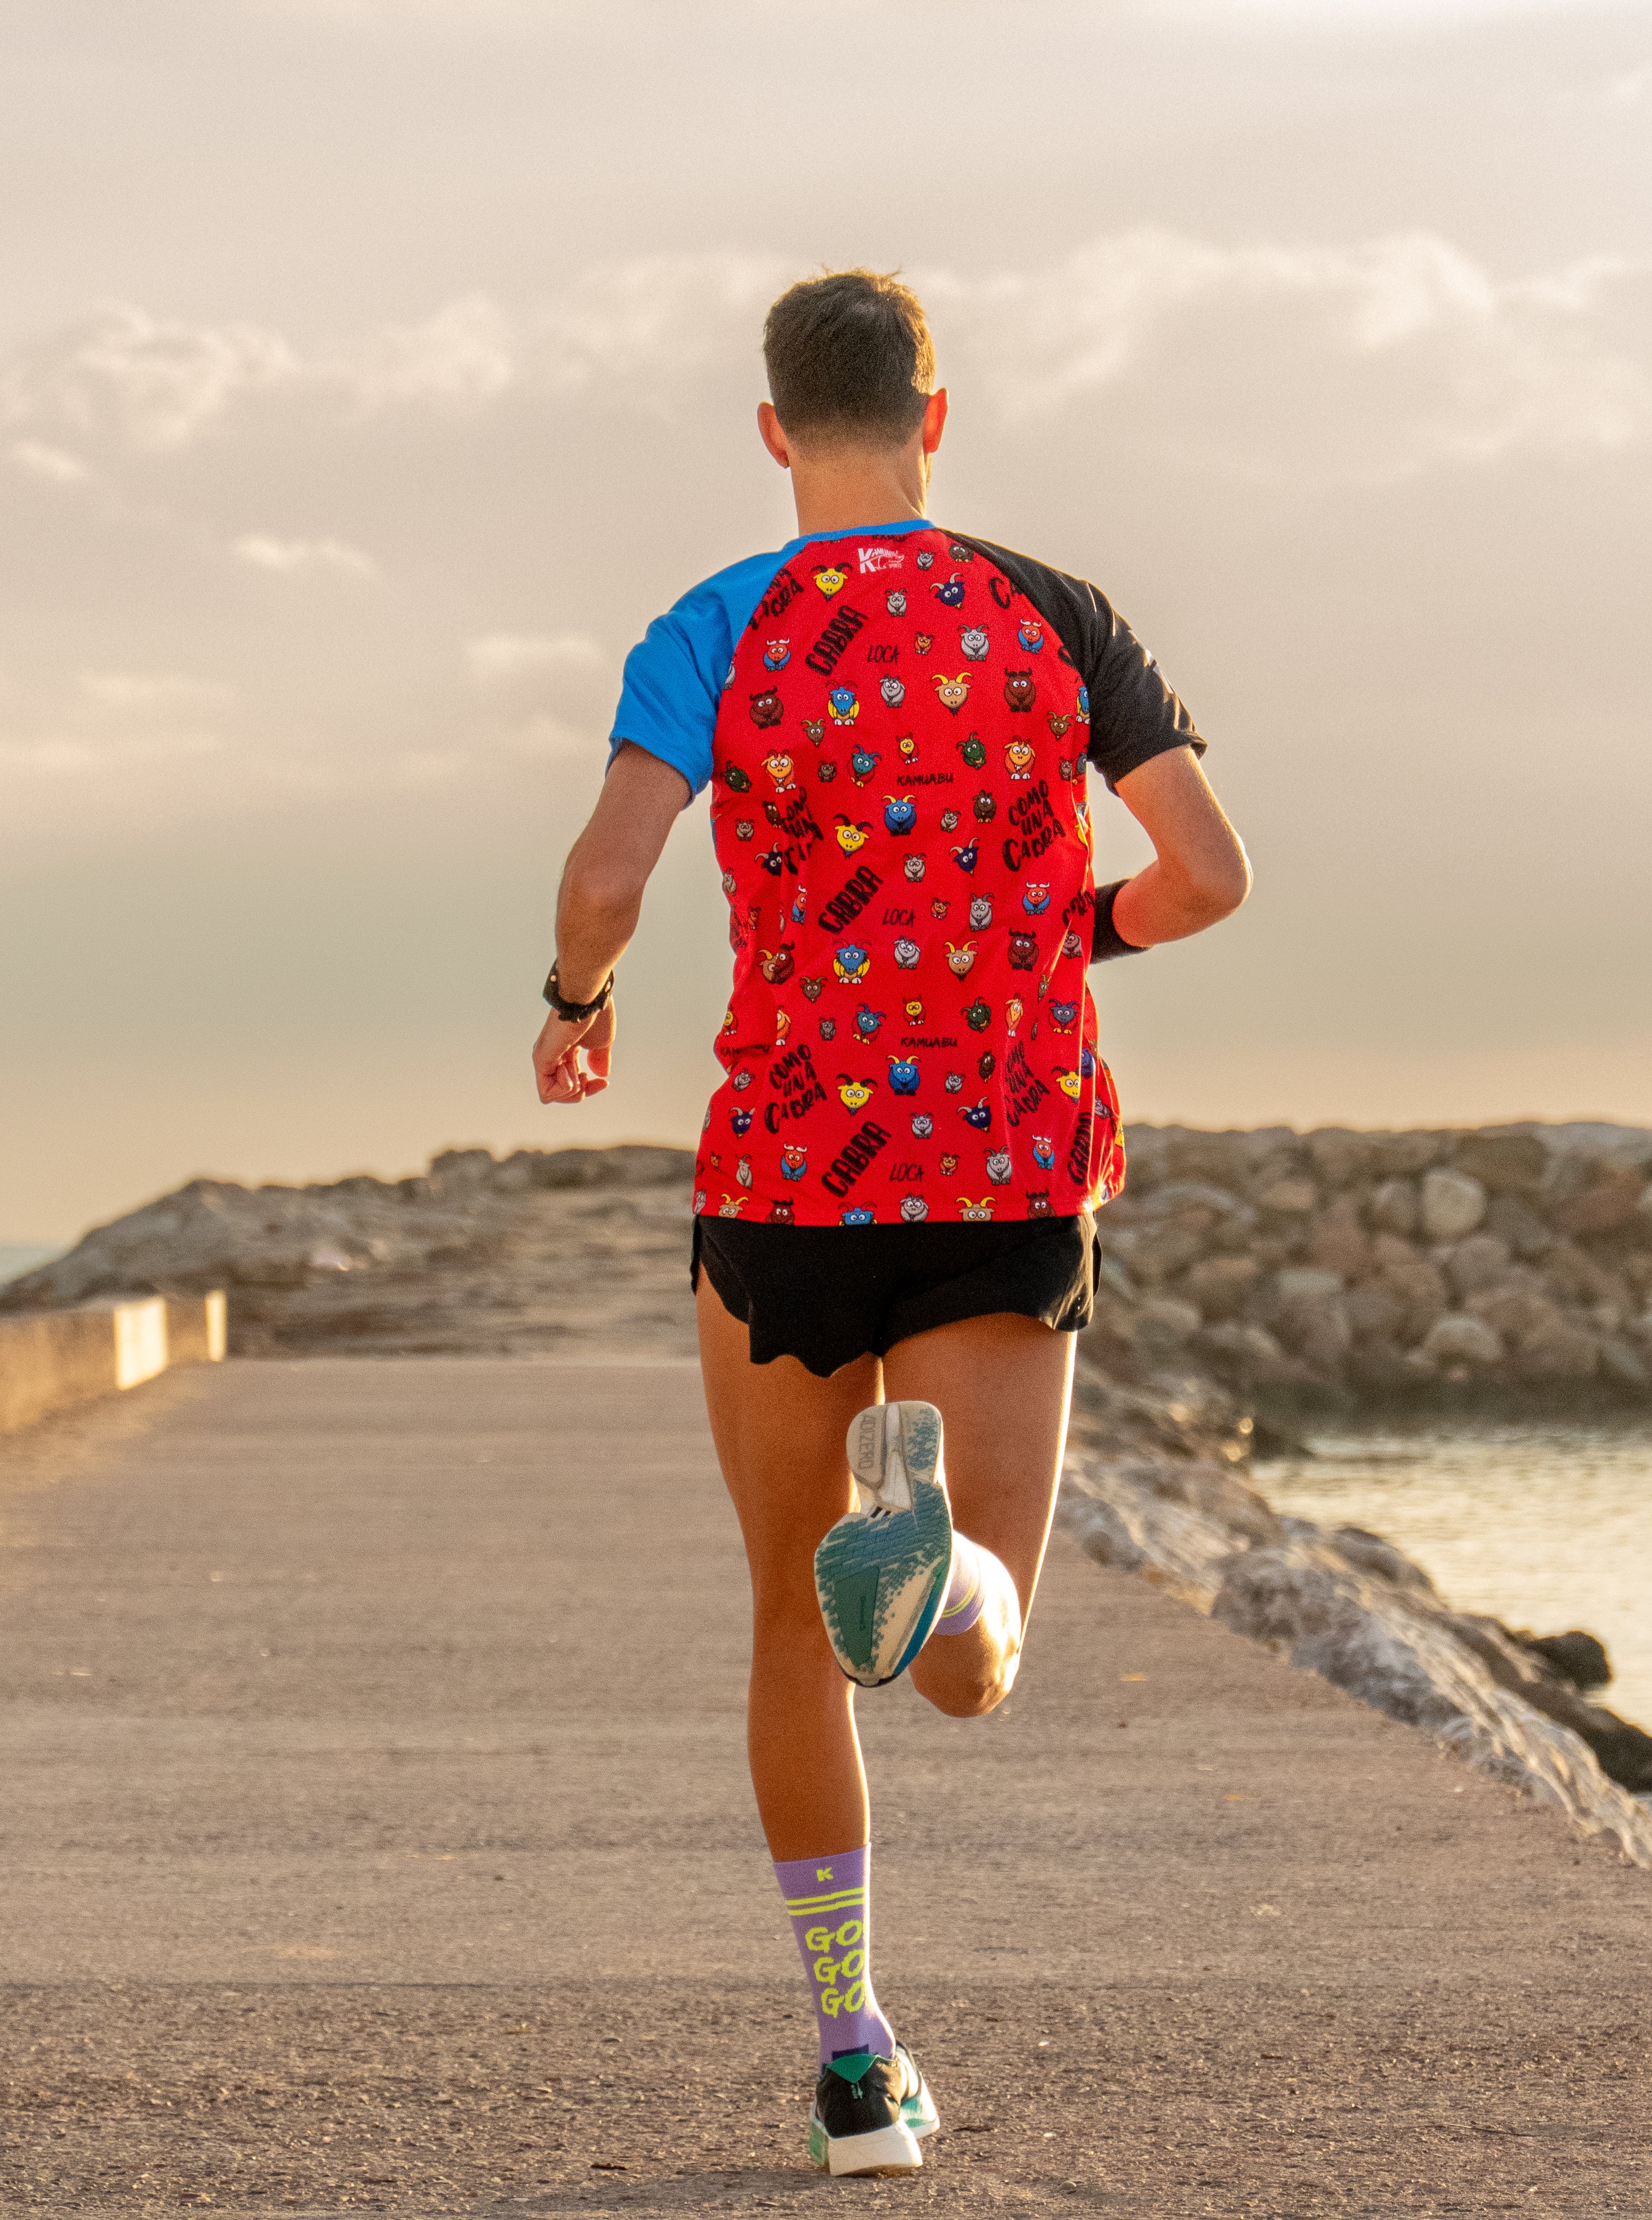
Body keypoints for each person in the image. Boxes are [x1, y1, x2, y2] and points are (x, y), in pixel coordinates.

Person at [532, 269, 1250, 2178]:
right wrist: (1070, 929)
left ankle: (856, 2058)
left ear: (774, 429)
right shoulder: (1055, 614)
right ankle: (952, 1566)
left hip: (784, 1171)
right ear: (938, 415)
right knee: (963, 1658)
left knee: (784, 1619)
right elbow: (1210, 873)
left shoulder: (716, 625)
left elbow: (607, 877)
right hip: (1005, 1162)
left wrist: (575, 1001)